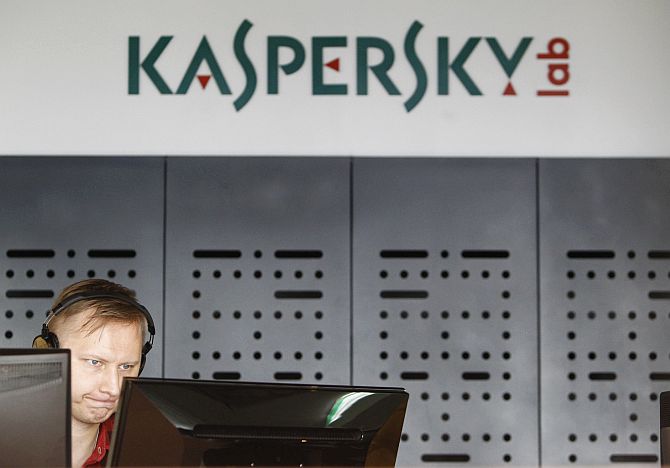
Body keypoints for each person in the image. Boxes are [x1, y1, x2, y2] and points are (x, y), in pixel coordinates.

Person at [32, 279, 154, 467]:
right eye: (95, 362)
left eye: (126, 366)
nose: (113, 388)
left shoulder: (152, 450)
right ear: (48, 354)